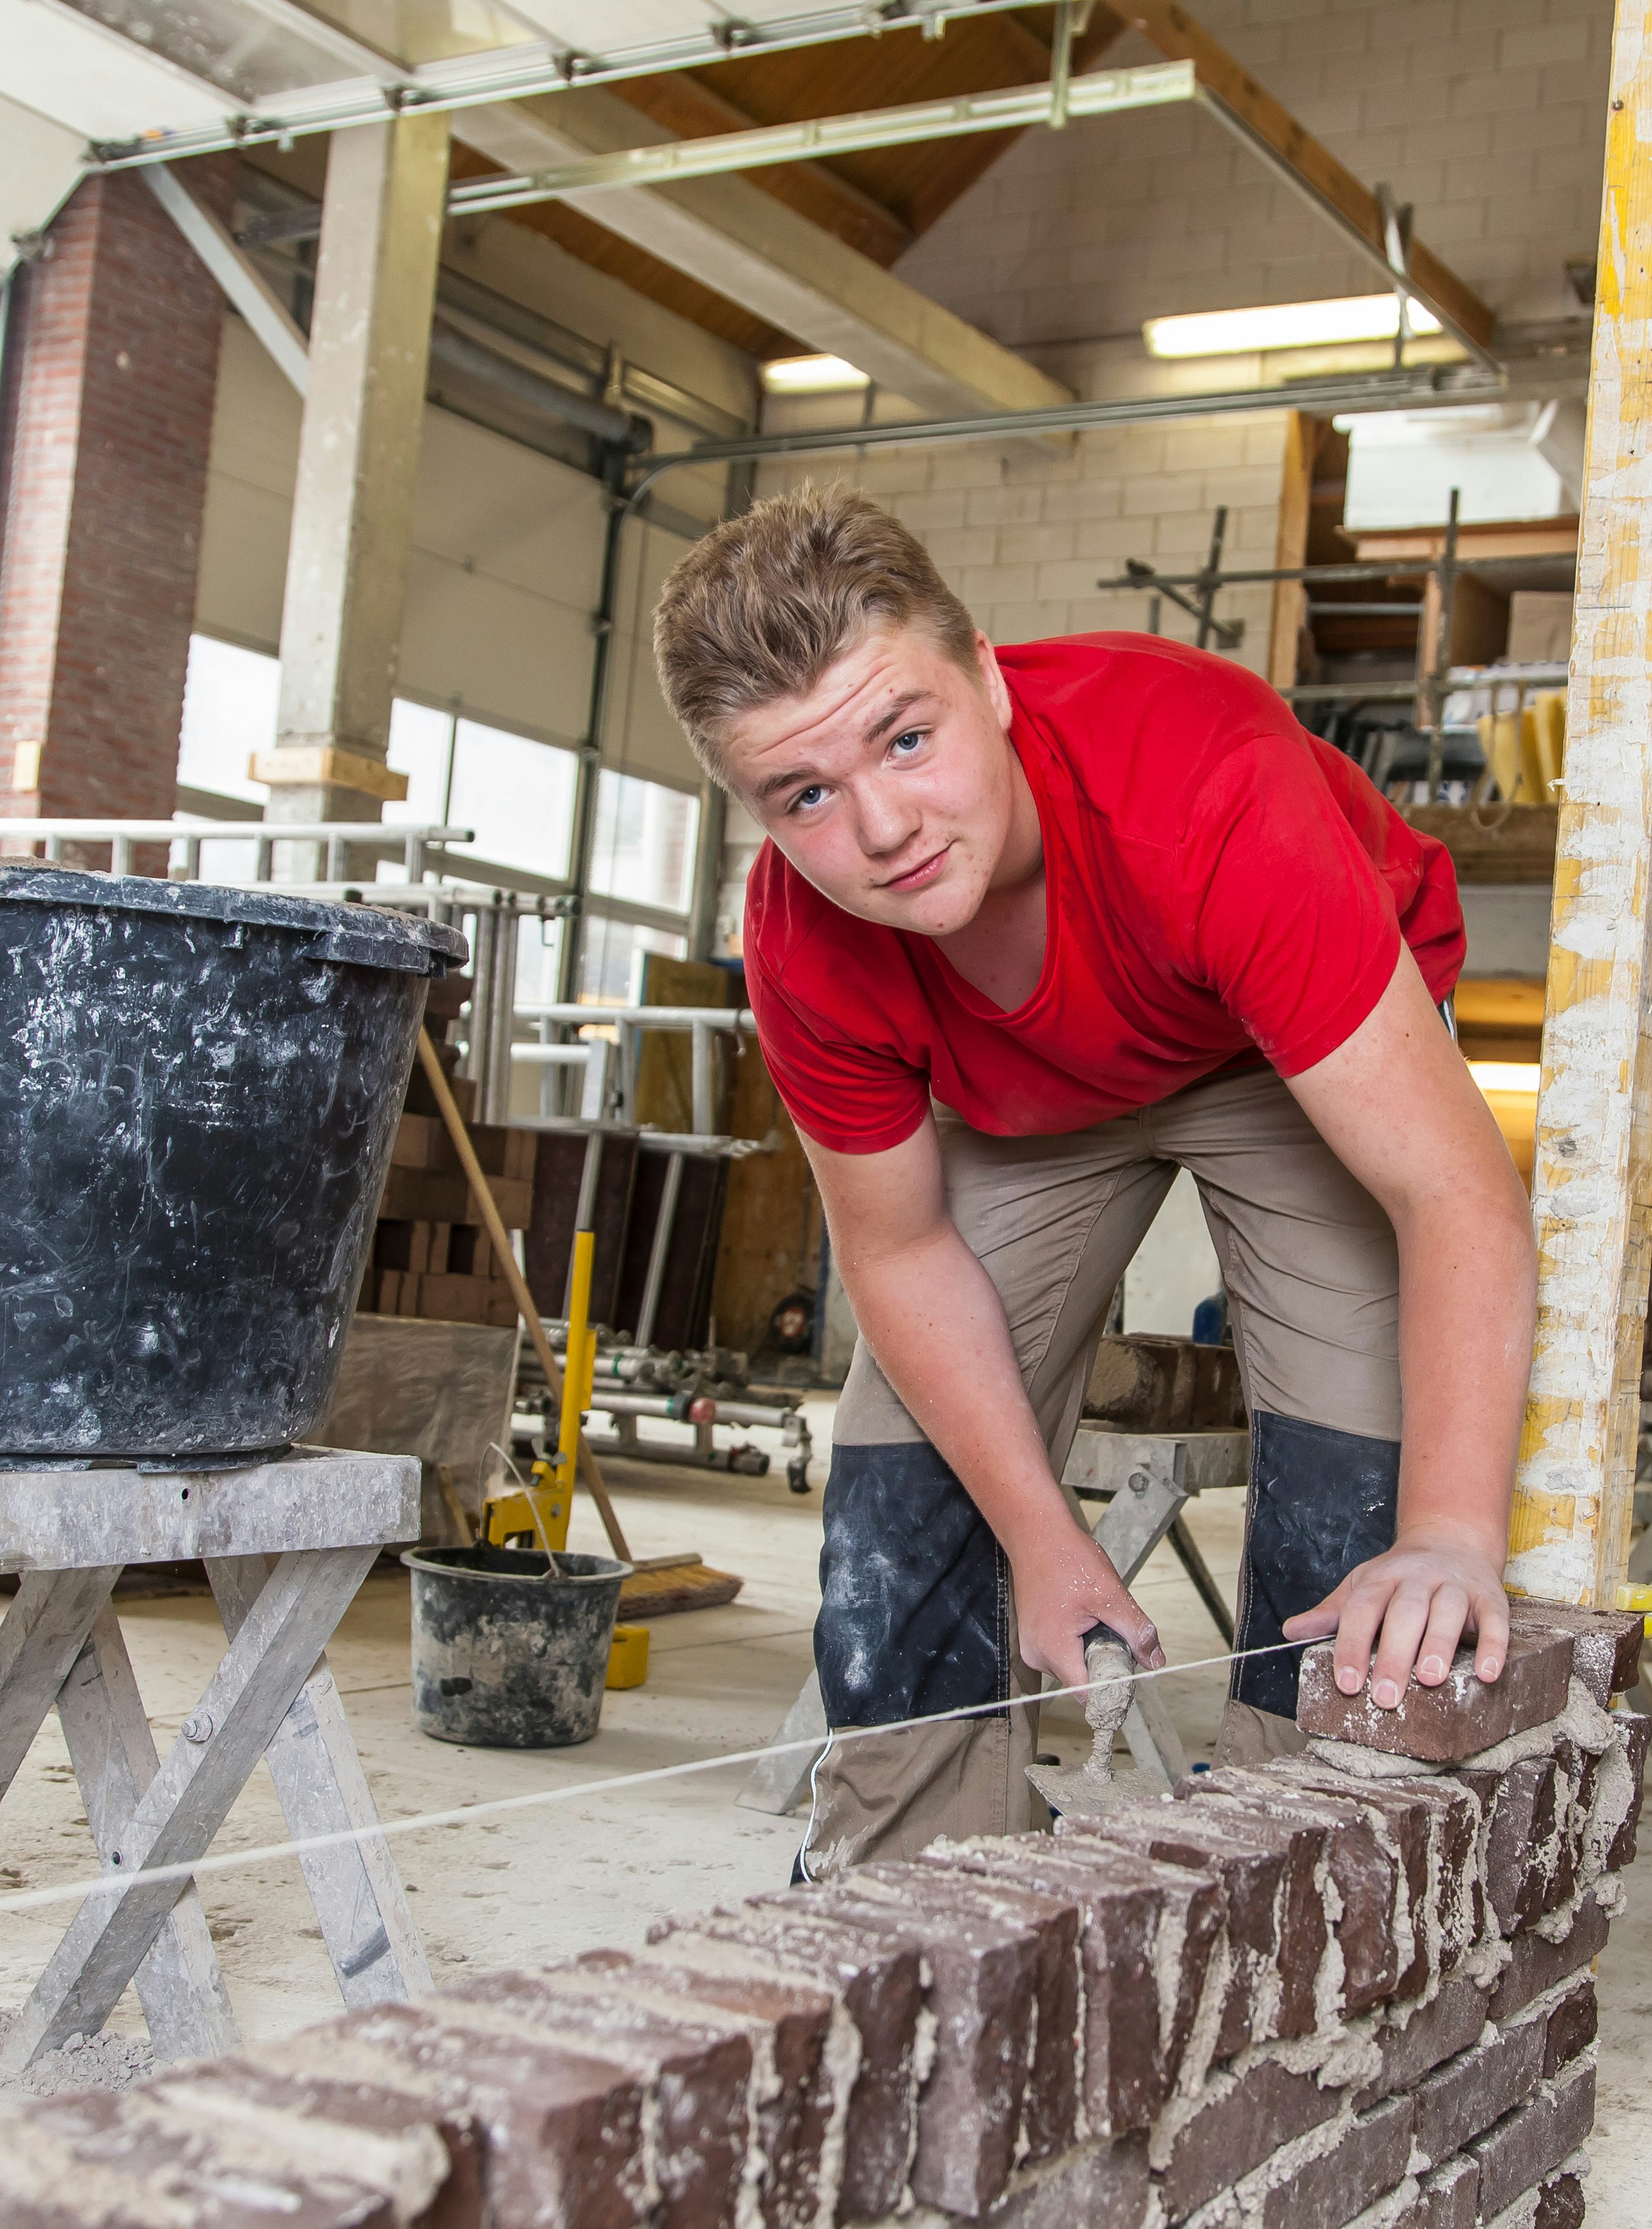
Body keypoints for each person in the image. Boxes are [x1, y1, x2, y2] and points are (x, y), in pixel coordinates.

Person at [649, 486, 1538, 1877]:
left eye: (905, 737)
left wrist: (1449, 1531)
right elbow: (898, 1256)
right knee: (905, 1465)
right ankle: (907, 1888)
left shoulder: (1209, 788)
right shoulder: (803, 940)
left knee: (1361, 1472)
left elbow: (1455, 1195)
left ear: (987, 677)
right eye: (804, 794)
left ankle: (1298, 1871)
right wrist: (1042, 1534)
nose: (880, 826)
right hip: (1035, 1087)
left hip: (1274, 1040)